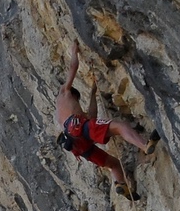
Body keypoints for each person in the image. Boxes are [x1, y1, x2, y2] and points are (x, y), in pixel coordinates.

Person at [55, 41, 157, 199]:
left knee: (114, 164)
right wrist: (74, 52)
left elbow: (91, 120)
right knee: (121, 127)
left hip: (77, 145)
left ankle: (120, 184)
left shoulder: (61, 115)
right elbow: (72, 68)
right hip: (78, 128)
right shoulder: (64, 92)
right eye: (77, 99)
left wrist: (93, 94)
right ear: (74, 94)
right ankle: (145, 145)